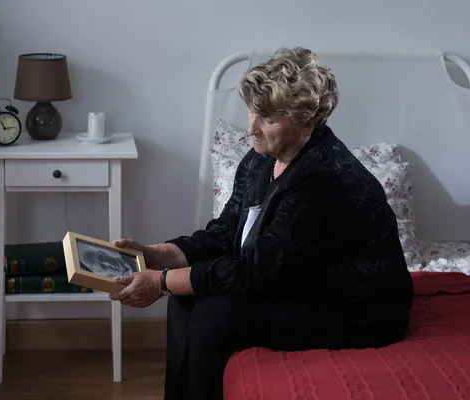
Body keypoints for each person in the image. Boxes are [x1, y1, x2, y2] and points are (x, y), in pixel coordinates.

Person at [109, 47, 414, 400]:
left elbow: (257, 272)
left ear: (308, 123)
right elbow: (225, 232)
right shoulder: (262, 158)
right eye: (253, 110)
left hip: (356, 310)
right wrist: (159, 254)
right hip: (300, 281)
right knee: (185, 297)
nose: (251, 127)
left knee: (214, 312)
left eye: (268, 118)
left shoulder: (322, 180)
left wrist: (161, 282)